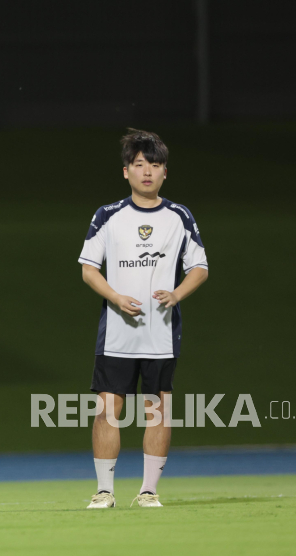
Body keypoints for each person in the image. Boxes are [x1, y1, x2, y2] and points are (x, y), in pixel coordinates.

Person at [79, 128, 208, 509]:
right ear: (126, 172)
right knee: (107, 410)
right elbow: (88, 268)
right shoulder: (108, 216)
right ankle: (104, 492)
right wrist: (116, 297)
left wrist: (177, 293)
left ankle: (149, 491)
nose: (147, 172)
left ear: (165, 172)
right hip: (117, 334)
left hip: (160, 333)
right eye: (139, 164)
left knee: (159, 408)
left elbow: (199, 267)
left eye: (155, 165)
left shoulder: (179, 216)